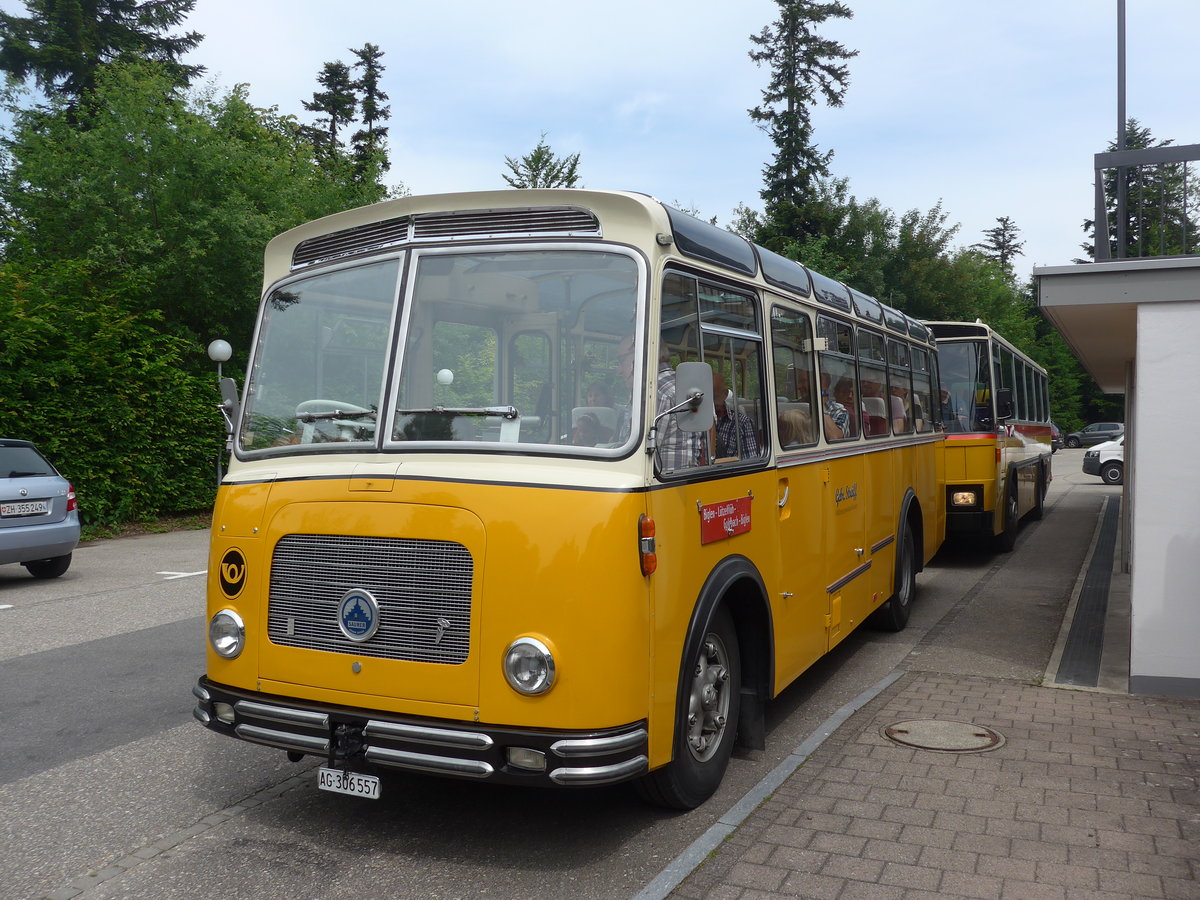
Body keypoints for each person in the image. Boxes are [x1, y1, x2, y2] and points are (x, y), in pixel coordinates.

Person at [712, 372, 759, 459]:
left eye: (714, 397)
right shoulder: (695, 423)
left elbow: (750, 461)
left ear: (725, 395)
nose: (711, 403)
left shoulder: (742, 423)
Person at [820, 371, 848, 439]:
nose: (799, 386)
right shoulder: (796, 405)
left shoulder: (839, 411)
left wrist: (820, 407)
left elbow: (835, 437)